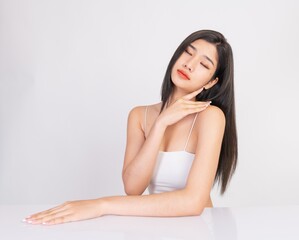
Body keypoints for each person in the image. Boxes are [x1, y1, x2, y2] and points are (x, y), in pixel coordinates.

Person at [24, 29, 238, 225]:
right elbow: (133, 188)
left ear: (211, 82)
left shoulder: (211, 117)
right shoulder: (139, 115)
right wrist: (160, 124)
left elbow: (192, 202)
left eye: (204, 64)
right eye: (188, 53)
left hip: (198, 229)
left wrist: (102, 205)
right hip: (152, 227)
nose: (189, 64)